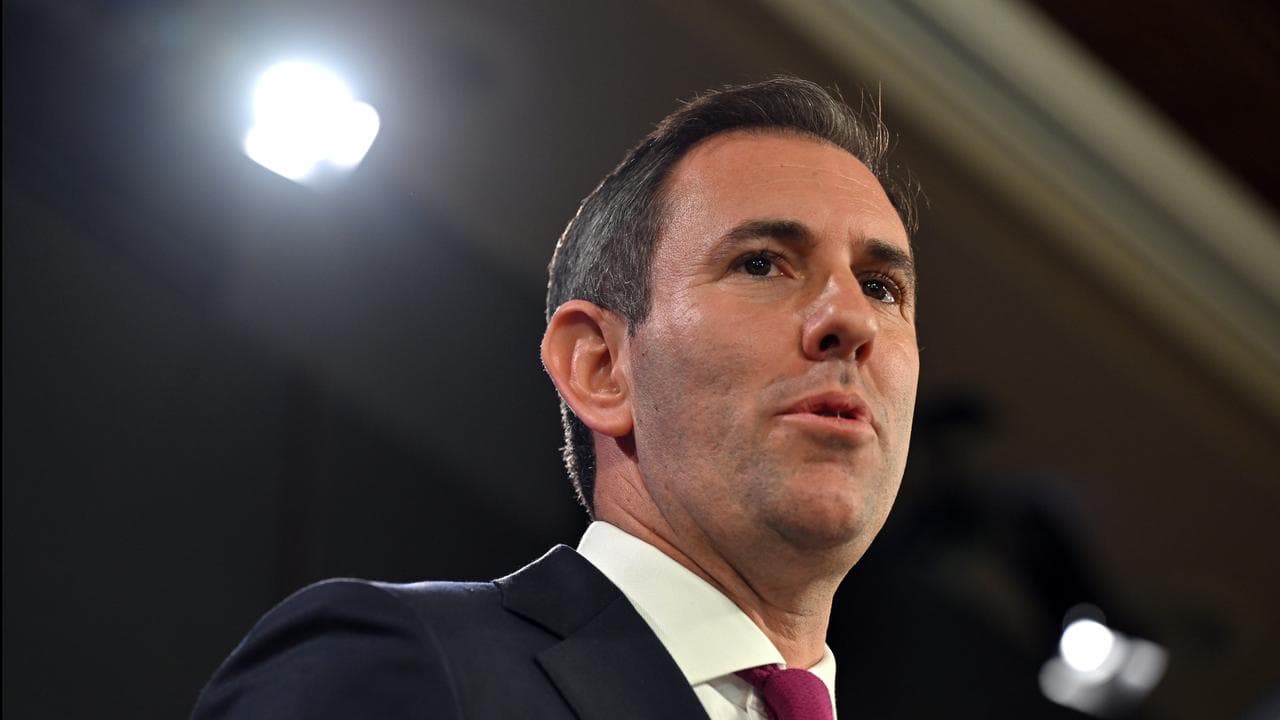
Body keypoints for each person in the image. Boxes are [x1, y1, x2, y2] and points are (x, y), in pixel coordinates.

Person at [192, 76, 920, 720]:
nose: (852, 319)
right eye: (761, 264)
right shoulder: (404, 665)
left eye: (880, 287)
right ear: (600, 366)